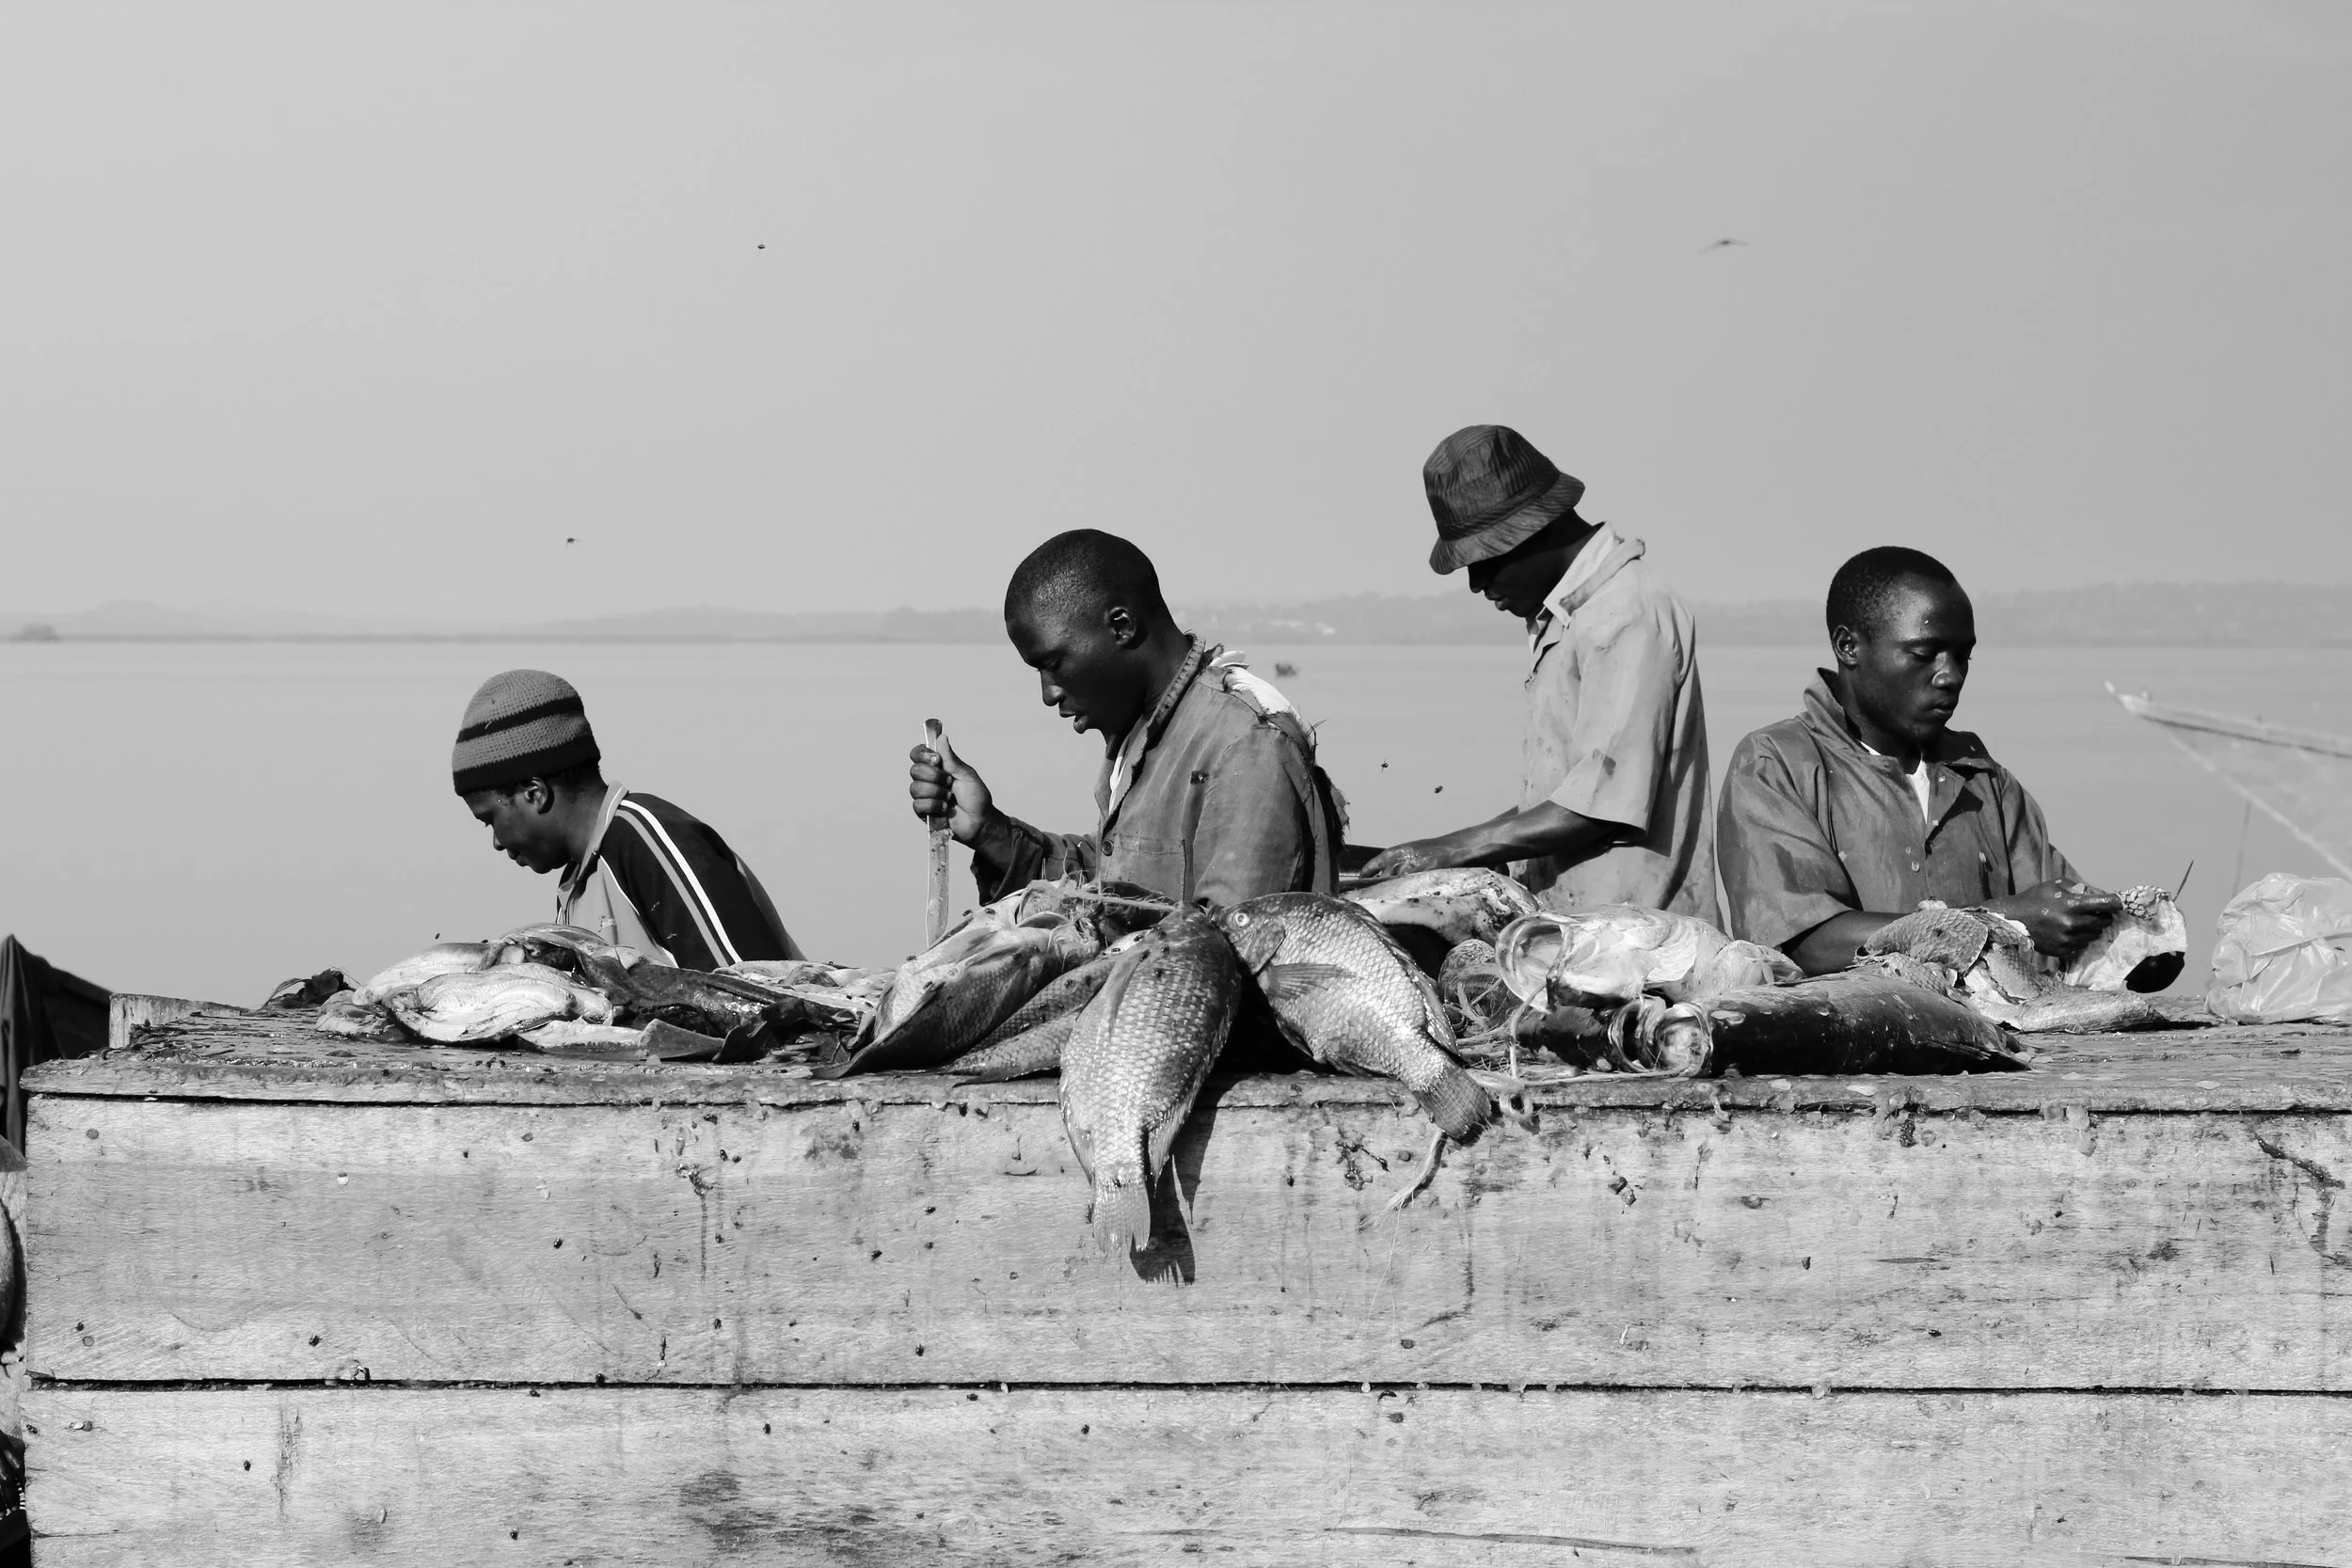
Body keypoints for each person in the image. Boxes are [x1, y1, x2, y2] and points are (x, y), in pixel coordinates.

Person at [1360, 424, 1716, 917]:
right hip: (1574, 931)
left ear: (1537, 527)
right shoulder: (1573, 618)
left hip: (1639, 945)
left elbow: (1597, 805)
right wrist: (1465, 854)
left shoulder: (1625, 614)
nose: (1477, 583)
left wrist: (1454, 848)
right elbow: (1565, 796)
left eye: (1485, 559)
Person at [1716, 546, 2119, 974]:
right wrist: (2006, 922)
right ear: (1848, 646)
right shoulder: (1775, 764)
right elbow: (1804, 945)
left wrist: (2130, 943)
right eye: (1925, 654)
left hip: (1993, 1036)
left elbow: (2057, 915)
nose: (1952, 676)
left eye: (1963, 656)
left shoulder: (1984, 779)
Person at [906, 530, 1343, 908]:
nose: (1048, 693)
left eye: (1054, 664)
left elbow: (1223, 954)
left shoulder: (1247, 744)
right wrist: (989, 831)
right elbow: (1114, 885)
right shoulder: (1146, 733)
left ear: (1121, 626)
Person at [453, 669, 801, 969]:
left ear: (534, 793)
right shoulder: (579, 885)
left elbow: (759, 995)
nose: (497, 842)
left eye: (490, 819)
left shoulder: (646, 839)